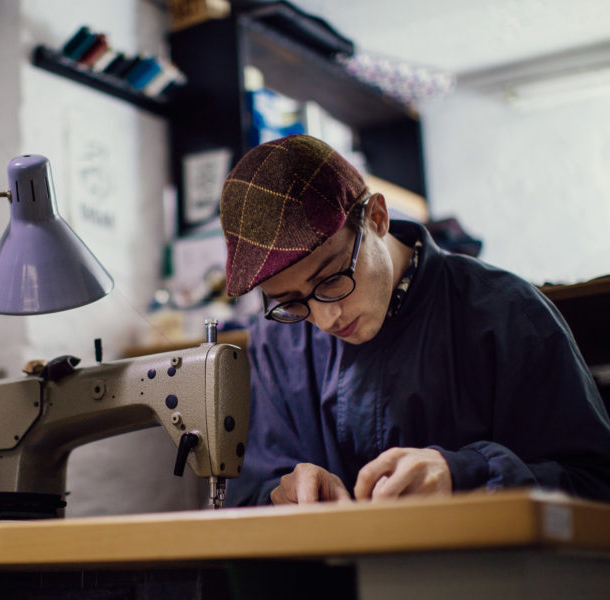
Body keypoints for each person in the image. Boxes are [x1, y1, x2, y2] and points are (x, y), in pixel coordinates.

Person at [220, 134, 610, 506]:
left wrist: (468, 475)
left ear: (377, 217)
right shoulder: (276, 342)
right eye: (291, 301)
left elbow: (596, 484)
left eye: (333, 278)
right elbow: (251, 492)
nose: (325, 318)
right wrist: (280, 493)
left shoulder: (507, 313)